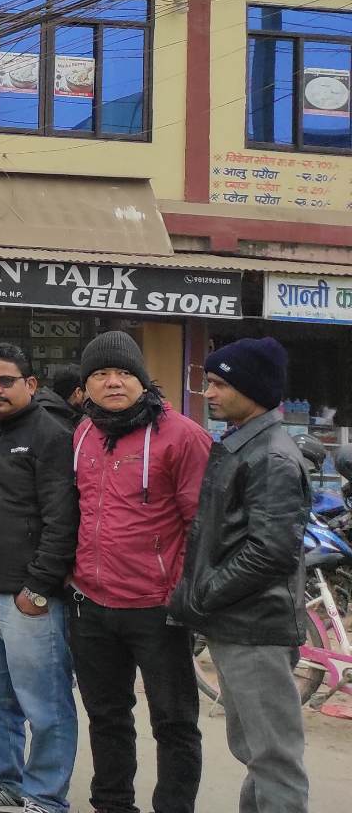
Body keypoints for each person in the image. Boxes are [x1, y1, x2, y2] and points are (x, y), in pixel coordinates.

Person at [67, 331, 211, 813]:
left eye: (124, 372)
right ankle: (111, 804)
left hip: (157, 608)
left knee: (173, 722)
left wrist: (182, 595)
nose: (113, 382)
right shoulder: (84, 431)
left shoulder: (184, 436)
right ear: (85, 387)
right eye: (100, 375)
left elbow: (201, 526)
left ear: (143, 381)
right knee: (106, 716)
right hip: (92, 603)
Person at [172, 338, 309, 813]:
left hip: (255, 627)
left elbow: (270, 551)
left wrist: (203, 595)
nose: (209, 392)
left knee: (273, 758)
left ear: (253, 387)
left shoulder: (269, 454)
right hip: (238, 622)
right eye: (209, 382)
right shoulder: (244, 442)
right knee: (255, 752)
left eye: (220, 383)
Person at [0, 343, 79, 813]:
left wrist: (40, 585)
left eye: (5, 381)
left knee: (44, 703)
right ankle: (5, 780)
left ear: (30, 384)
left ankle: (46, 796)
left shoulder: (52, 434)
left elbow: (62, 517)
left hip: (29, 595)